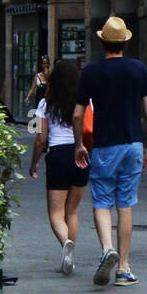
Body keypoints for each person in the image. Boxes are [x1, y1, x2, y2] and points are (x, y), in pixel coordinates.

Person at [73, 16, 147, 287]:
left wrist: (79, 145)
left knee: (101, 200)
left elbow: (77, 115)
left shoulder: (91, 72)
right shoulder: (139, 70)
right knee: (125, 203)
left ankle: (106, 248)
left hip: (104, 146)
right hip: (132, 145)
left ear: (102, 42)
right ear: (124, 42)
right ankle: (123, 267)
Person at [30, 60, 89, 276]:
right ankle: (69, 253)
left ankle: (66, 245)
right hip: (81, 155)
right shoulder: (86, 102)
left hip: (58, 156)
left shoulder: (45, 105)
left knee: (56, 213)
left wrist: (34, 162)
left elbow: (40, 139)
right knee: (72, 210)